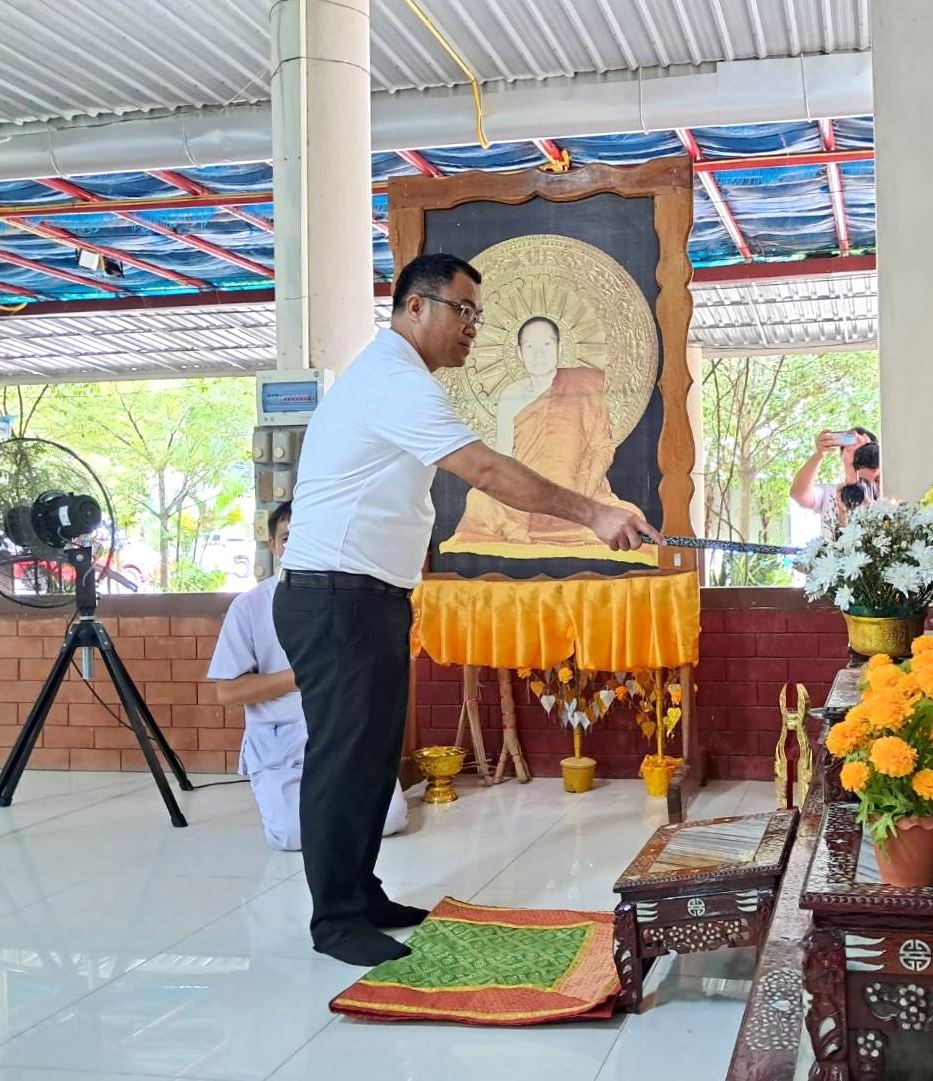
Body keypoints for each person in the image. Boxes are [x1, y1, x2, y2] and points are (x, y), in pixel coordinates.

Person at [275, 252, 660, 966]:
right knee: (342, 758)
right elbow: (483, 469)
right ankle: (334, 920)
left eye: (478, 316)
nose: (473, 330)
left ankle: (361, 894)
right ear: (413, 307)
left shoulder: (404, 381)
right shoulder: (394, 379)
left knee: (370, 755)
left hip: (369, 595)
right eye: (463, 311)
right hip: (335, 596)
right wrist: (593, 513)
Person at [208, 501, 409, 851]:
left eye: (305, 536)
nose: (295, 544)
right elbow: (227, 692)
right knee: (292, 835)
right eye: (287, 537)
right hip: (280, 742)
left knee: (390, 820)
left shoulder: (351, 601)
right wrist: (305, 676)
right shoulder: (250, 606)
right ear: (273, 546)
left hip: (345, 738)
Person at [444, 314, 651, 561]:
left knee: (629, 513)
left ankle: (565, 523)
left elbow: (602, 447)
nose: (538, 353)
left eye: (546, 345)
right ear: (519, 353)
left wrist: (583, 492)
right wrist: (517, 496)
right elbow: (502, 457)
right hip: (524, 499)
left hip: (581, 494)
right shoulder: (510, 396)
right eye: (530, 346)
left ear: (558, 349)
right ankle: (541, 526)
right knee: (478, 501)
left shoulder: (585, 386)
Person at [791, 427, 880, 536]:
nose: (859, 456)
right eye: (853, 452)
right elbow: (799, 494)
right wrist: (818, 454)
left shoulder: (886, 488)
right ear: (843, 456)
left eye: (866, 452)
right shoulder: (832, 493)